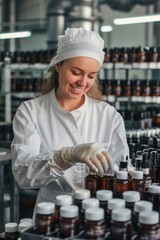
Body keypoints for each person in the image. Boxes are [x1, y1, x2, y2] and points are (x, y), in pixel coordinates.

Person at [11, 27, 129, 213]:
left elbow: (124, 171)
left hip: (97, 212)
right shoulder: (31, 111)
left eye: (91, 76)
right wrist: (64, 156)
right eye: (76, 72)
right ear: (58, 65)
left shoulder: (109, 115)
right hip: (51, 213)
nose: (83, 82)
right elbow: (23, 175)